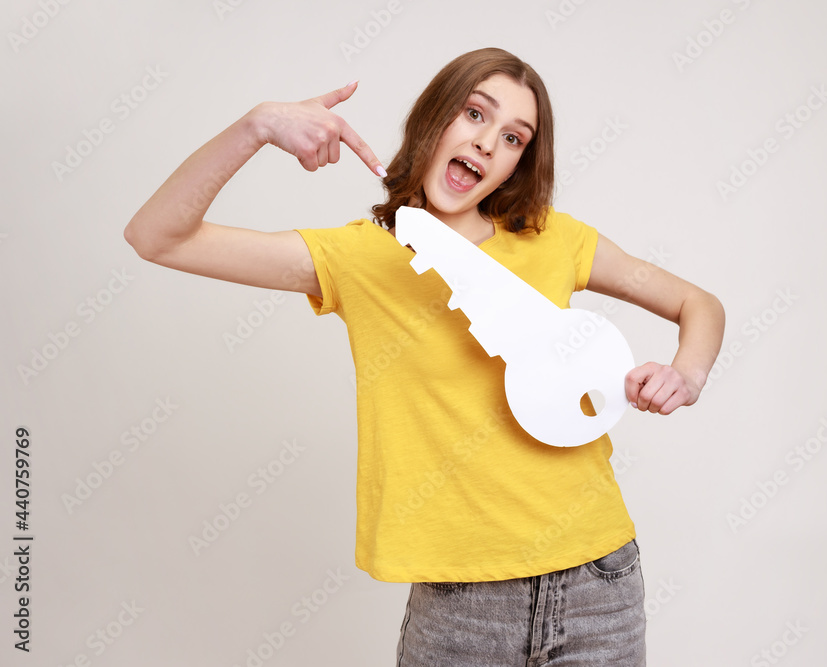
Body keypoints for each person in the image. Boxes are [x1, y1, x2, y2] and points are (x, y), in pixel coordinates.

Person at [125, 47, 724, 666]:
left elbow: (698, 303)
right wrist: (256, 127)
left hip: (599, 582)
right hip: (460, 604)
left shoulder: (554, 238)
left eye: (514, 137)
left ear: (520, 162)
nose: (489, 142)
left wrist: (687, 373)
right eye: (474, 113)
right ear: (435, 119)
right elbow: (156, 235)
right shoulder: (357, 259)